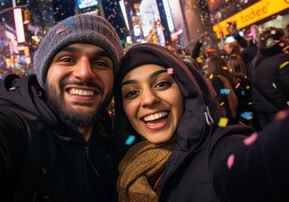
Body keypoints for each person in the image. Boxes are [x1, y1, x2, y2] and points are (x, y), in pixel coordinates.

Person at [0, 13, 124, 201]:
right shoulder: (13, 125)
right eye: (67, 59)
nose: (85, 73)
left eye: (100, 63)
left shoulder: (111, 133)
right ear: (44, 75)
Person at [114, 43, 289, 201]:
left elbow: (248, 167)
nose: (148, 100)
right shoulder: (121, 164)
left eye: (161, 84)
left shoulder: (219, 147)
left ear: (184, 90)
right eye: (131, 93)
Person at [249, 27, 289, 130]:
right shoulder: (281, 59)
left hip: (262, 109)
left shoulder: (254, 61)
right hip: (280, 110)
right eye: (283, 38)